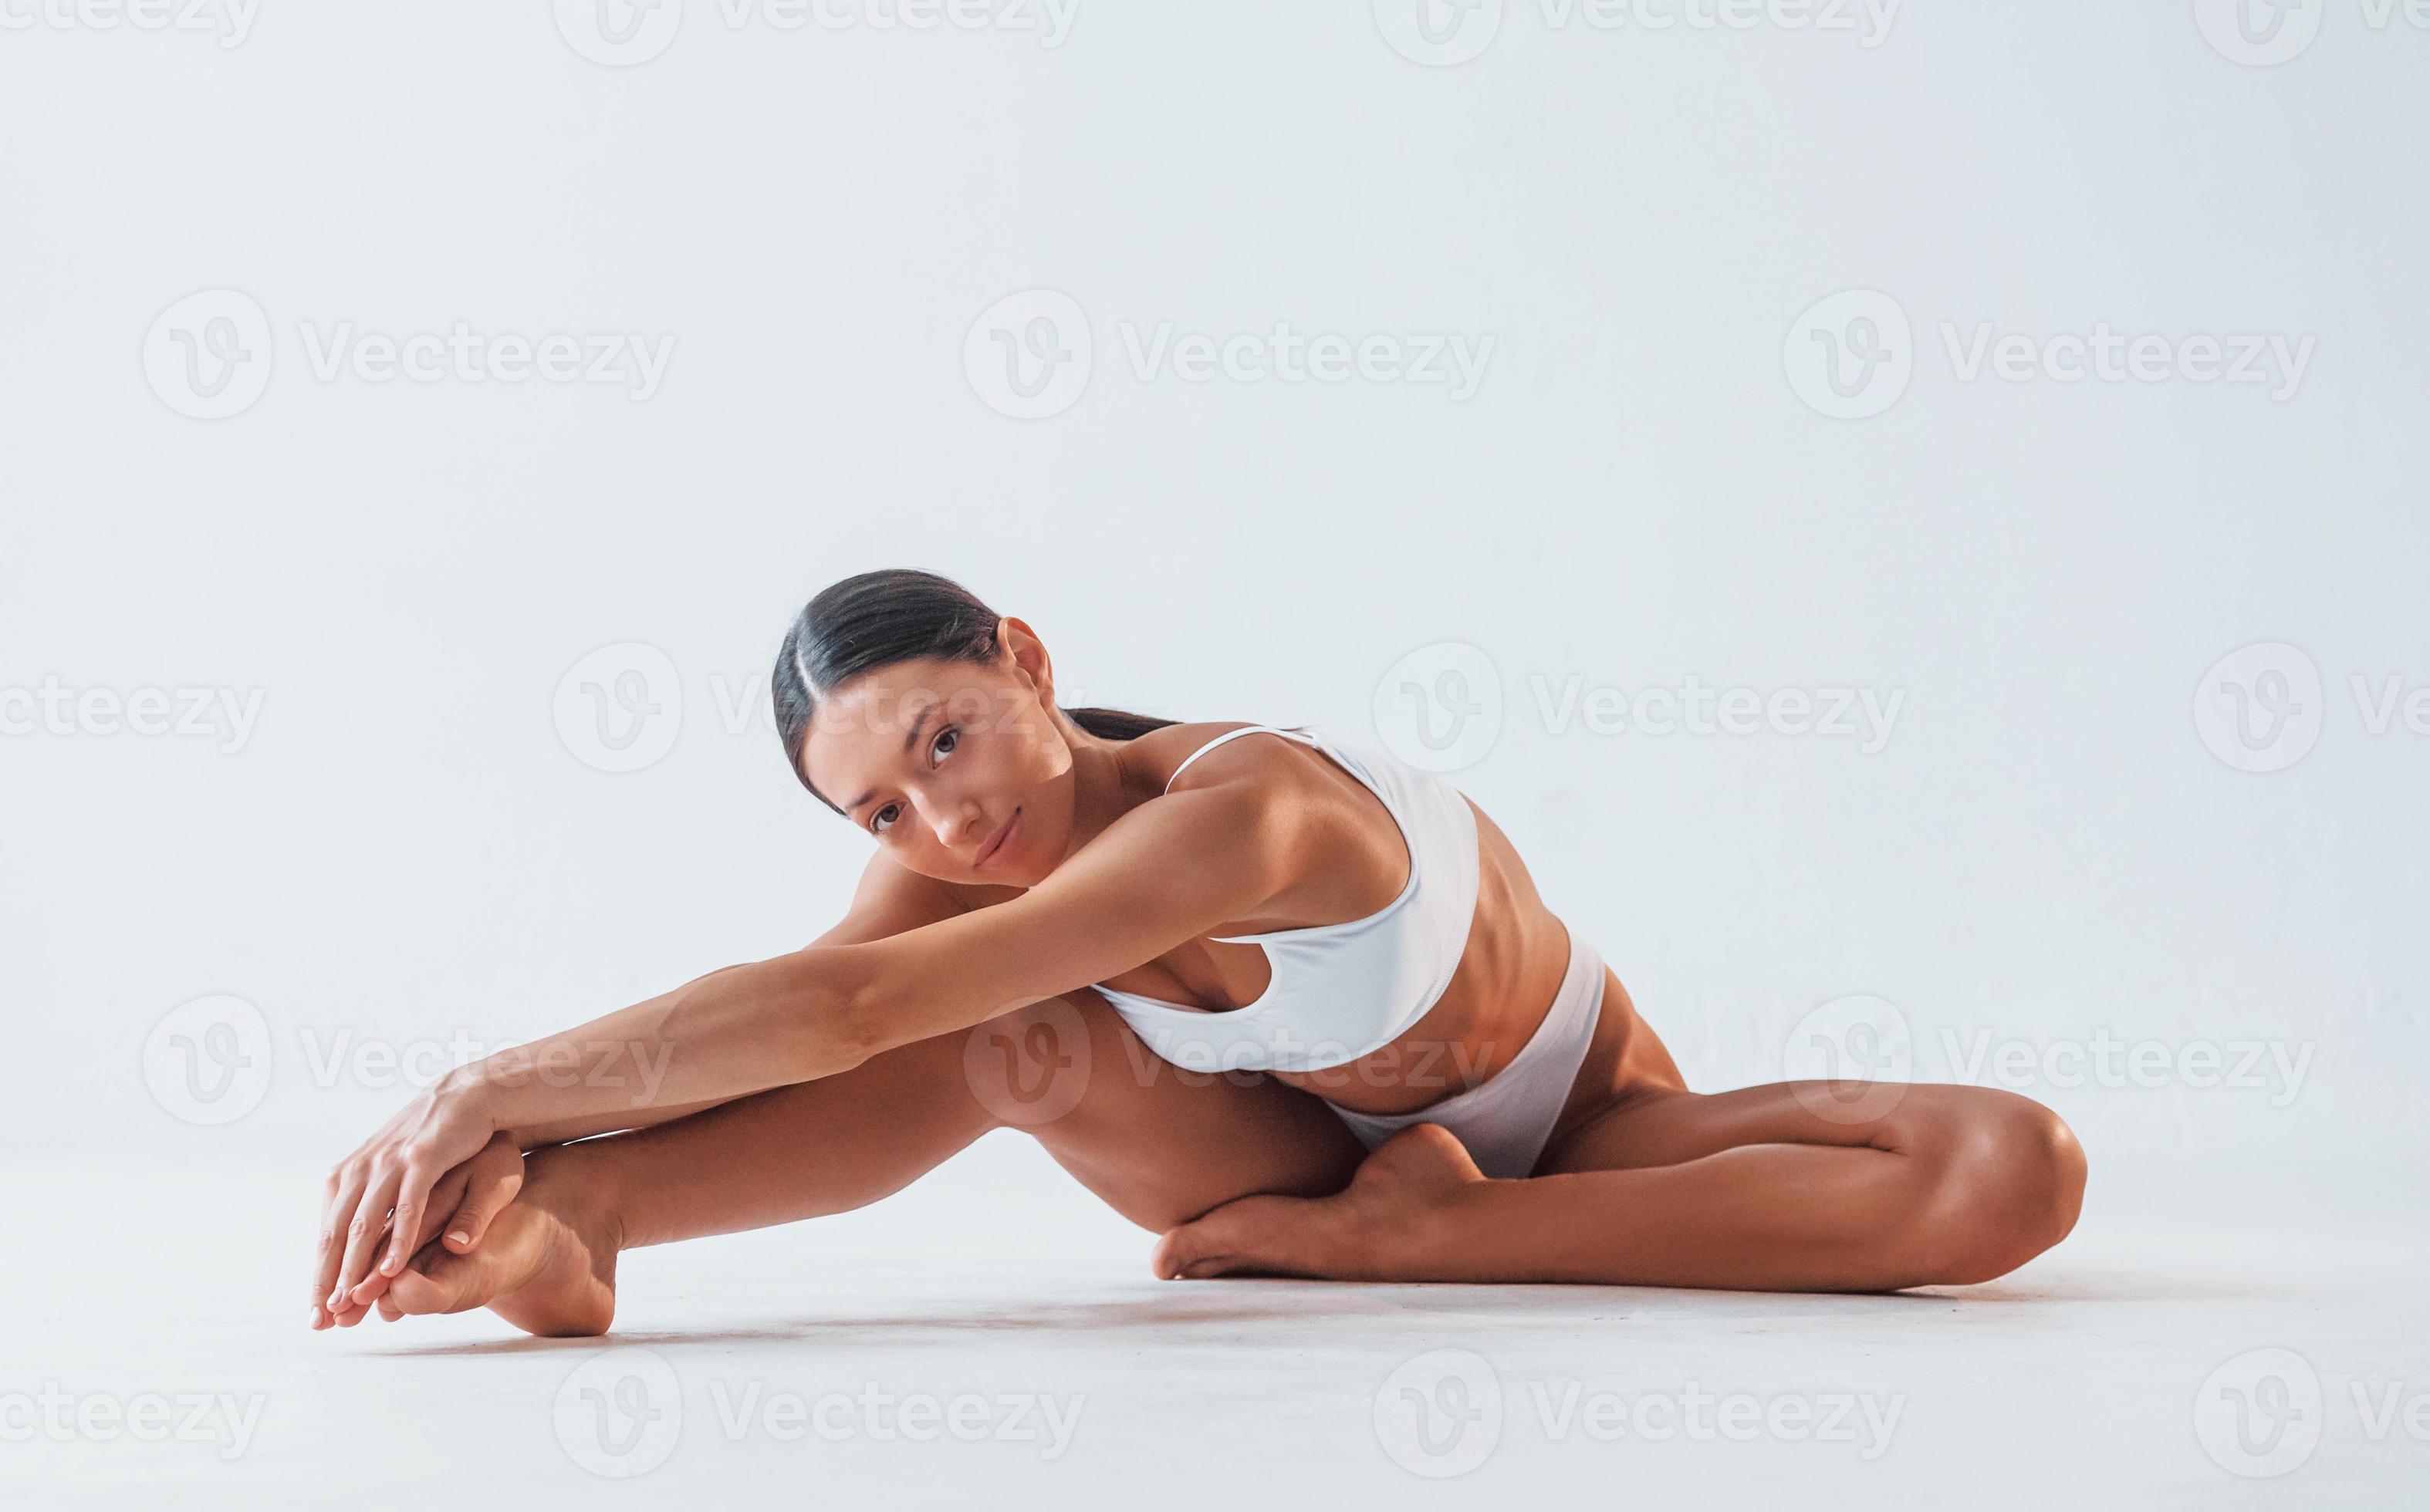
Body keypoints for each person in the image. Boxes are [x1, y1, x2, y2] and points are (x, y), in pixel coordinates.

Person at [308, 569, 2086, 1337]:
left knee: (2011, 1172)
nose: (939, 825)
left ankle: (1442, 1243)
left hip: (1584, 1125)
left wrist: (481, 1080)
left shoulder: (1254, 813)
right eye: (877, 812)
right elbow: (826, 1011)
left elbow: (841, 1004)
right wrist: (529, 1150)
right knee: (995, 1044)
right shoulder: (963, 878)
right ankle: (578, 1226)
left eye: (943, 738)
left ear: (1021, 654)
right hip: (1298, 1161)